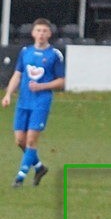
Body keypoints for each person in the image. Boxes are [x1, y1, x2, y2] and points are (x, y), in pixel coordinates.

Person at [1, 18, 64, 187]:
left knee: (30, 141)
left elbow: (61, 81)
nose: (41, 34)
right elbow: (18, 74)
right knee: (20, 141)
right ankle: (39, 167)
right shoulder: (25, 52)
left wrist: (42, 86)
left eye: (45, 31)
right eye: (39, 31)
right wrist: (8, 94)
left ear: (49, 34)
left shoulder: (54, 55)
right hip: (23, 101)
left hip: (41, 102)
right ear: (33, 33)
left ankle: (20, 177)